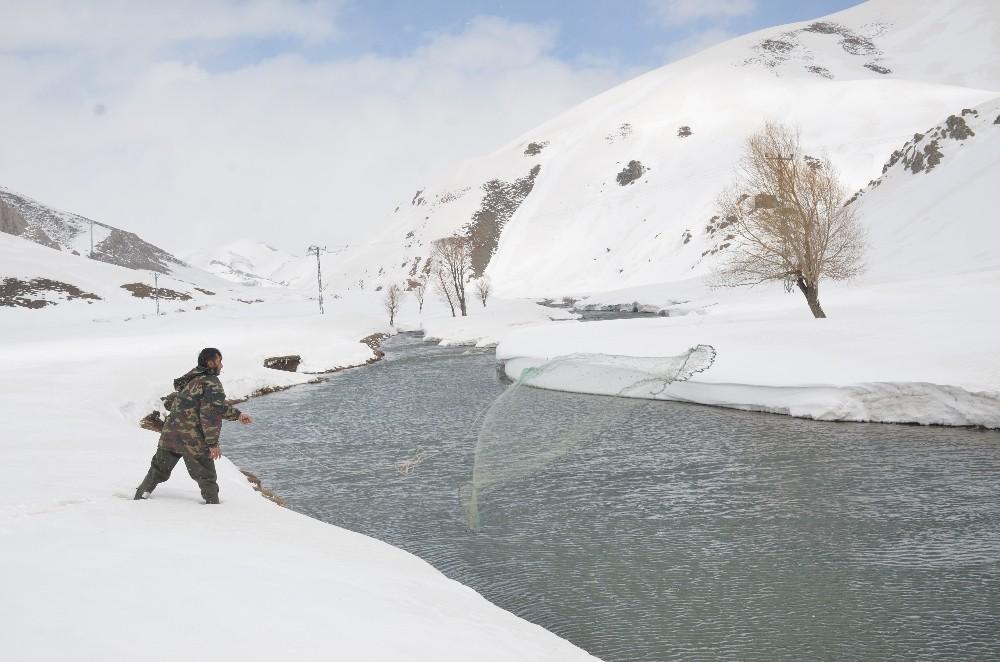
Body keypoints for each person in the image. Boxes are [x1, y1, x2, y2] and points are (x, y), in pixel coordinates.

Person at [134, 347, 252, 504]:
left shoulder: (191, 378)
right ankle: (215, 510)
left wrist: (237, 415)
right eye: (219, 361)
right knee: (207, 477)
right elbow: (211, 415)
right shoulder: (211, 383)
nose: (221, 366)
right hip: (193, 439)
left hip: (170, 434)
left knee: (157, 470)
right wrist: (212, 444)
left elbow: (214, 407)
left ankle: (139, 498)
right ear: (210, 363)